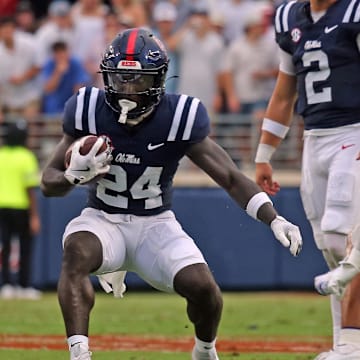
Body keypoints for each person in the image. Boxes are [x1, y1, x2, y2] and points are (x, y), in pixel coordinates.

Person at [40, 28, 303, 360]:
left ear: (160, 79)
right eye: (120, 79)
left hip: (155, 225)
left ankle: (204, 350)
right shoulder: (88, 108)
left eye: (138, 81)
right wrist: (73, 176)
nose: (128, 90)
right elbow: (48, 182)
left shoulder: (179, 117)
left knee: (206, 292)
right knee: (76, 253)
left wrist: (273, 218)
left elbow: (231, 178)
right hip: (103, 220)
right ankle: (80, 354)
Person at [254, 0, 360, 359]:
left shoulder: (353, 12)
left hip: (354, 131)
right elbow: (285, 93)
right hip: (314, 139)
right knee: (333, 255)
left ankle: (351, 345)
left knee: (339, 237)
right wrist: (264, 154)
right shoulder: (290, 18)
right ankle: (343, 346)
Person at [0, 118, 41, 300]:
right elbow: (30, 189)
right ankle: (24, 285)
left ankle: (7, 285)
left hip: (2, 207)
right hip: (21, 207)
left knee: (6, 247)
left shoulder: (1, 155)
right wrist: (34, 216)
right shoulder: (26, 156)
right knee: (25, 248)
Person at [41, 41, 91, 116]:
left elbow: (79, 87)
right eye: (57, 53)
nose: (61, 55)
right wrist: (58, 73)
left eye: (62, 52)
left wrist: (74, 108)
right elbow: (48, 89)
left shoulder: (75, 63)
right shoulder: (49, 64)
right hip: (54, 108)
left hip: (72, 105)